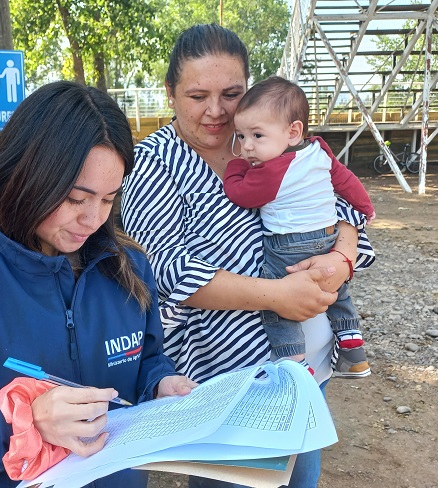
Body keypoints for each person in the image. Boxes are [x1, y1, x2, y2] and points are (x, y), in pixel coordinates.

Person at [0, 81, 196, 488]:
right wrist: (24, 423)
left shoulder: (128, 267)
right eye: (76, 199)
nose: (93, 219)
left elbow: (147, 360)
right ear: (27, 176)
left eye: (109, 199)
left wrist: (159, 384)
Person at [120, 24, 374, 488]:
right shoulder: (154, 163)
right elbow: (167, 270)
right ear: (170, 93)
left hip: (308, 370)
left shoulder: (273, 144)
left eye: (232, 93)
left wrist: (343, 259)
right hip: (226, 383)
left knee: (301, 478)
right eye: (198, 95)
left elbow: (343, 214)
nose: (216, 112)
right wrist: (277, 296)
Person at [223, 75, 375, 378]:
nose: (247, 147)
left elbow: (240, 194)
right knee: (336, 288)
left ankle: (293, 362)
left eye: (257, 136)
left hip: (287, 243)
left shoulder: (271, 170)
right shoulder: (319, 150)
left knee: (277, 301)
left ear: (293, 132)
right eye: (240, 136)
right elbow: (344, 180)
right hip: (328, 236)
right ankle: (352, 345)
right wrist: (364, 207)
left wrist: (235, 167)